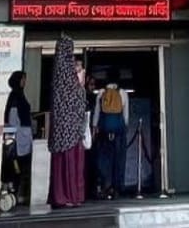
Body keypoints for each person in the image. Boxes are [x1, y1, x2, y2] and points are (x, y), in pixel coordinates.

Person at [47, 35, 86, 207]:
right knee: (71, 165)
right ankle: (71, 195)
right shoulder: (71, 76)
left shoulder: (56, 74)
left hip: (59, 132)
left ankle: (59, 196)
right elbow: (79, 99)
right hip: (71, 131)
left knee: (59, 164)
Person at [93, 67, 130, 199]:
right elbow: (126, 116)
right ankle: (117, 188)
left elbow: (97, 112)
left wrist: (95, 127)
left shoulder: (102, 92)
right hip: (119, 131)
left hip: (104, 131)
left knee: (104, 160)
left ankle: (105, 186)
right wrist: (124, 127)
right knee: (119, 159)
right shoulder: (123, 93)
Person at [4, 71, 32, 206]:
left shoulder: (18, 95)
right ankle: (14, 192)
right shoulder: (16, 96)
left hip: (22, 136)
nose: (24, 82)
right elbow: (12, 119)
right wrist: (15, 136)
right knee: (17, 166)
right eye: (23, 79)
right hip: (19, 137)